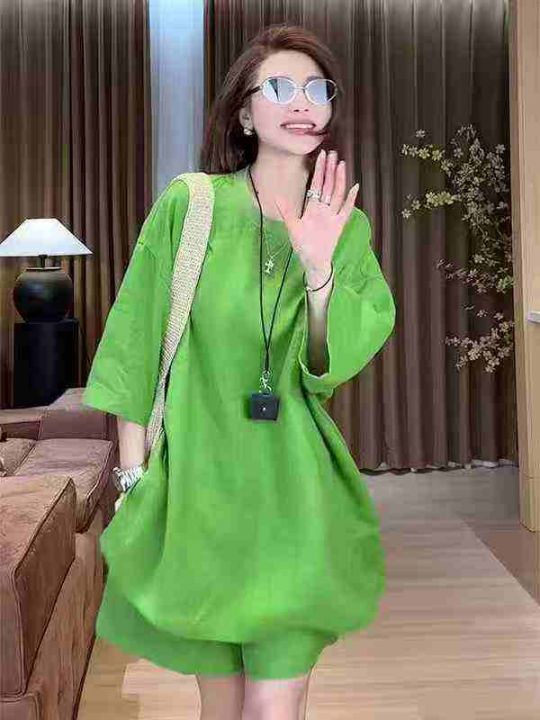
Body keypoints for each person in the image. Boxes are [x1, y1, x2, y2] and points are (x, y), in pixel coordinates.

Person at [82, 23, 396, 720]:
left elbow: (327, 368)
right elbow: (134, 346)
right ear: (244, 114)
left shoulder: (345, 226)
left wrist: (319, 274)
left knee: (272, 711)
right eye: (279, 87)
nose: (302, 101)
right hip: (202, 498)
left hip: (295, 496)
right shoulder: (191, 207)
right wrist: (133, 478)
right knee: (221, 710)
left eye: (317, 88)